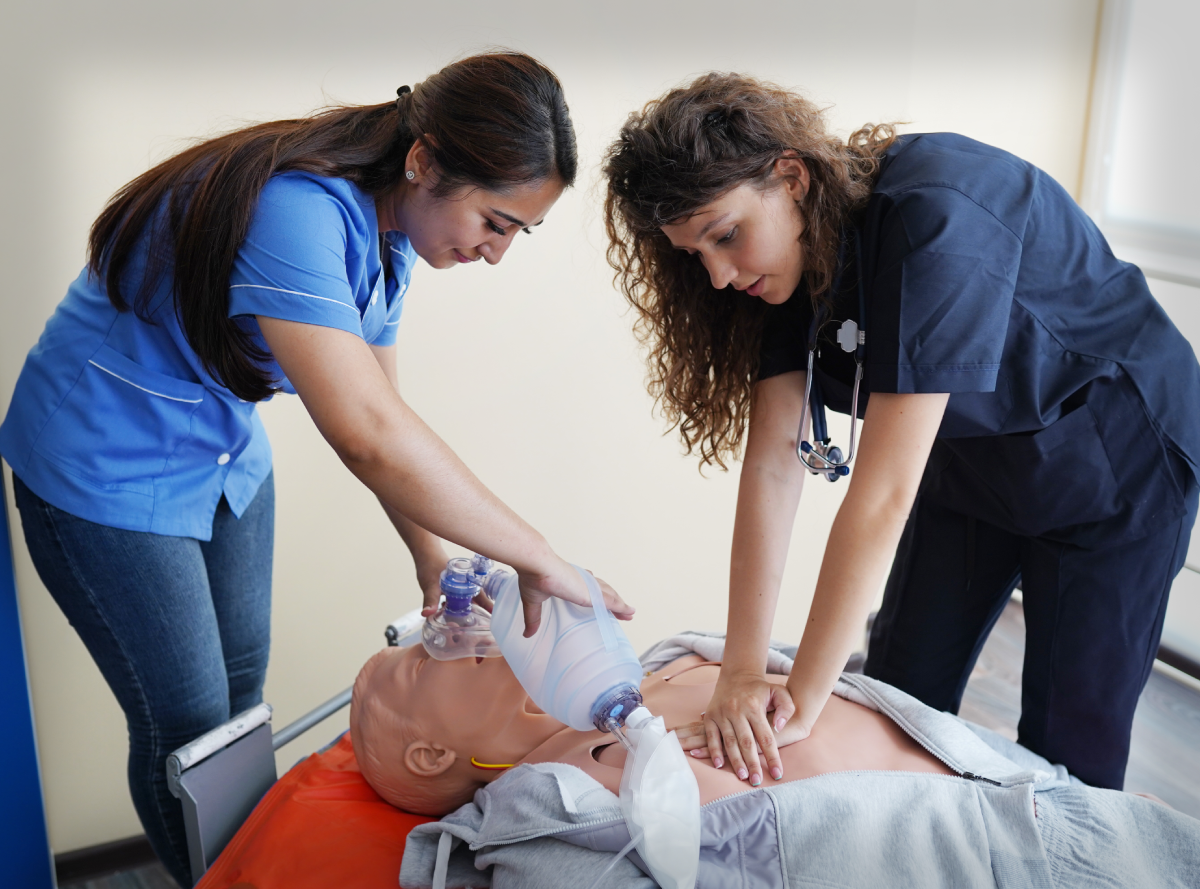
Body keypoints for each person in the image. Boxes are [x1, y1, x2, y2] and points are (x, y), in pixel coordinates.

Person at [0, 51, 630, 887]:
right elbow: (366, 433)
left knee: (237, 687)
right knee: (187, 719)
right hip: (102, 460)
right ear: (424, 162)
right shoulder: (294, 210)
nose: (497, 252)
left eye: (518, 231)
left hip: (221, 452)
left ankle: (250, 865)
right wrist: (540, 556)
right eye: (495, 220)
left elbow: (387, 420)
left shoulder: (389, 239)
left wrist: (430, 556)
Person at [601, 72, 1200, 794]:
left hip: (1116, 469)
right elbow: (770, 470)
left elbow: (882, 494)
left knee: (1071, 744)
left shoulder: (938, 219)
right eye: (697, 254)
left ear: (791, 176)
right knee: (897, 693)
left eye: (725, 236)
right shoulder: (779, 274)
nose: (720, 275)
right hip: (972, 467)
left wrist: (802, 701)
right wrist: (740, 671)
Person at [349, 634, 1200, 888]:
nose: (449, 634)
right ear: (430, 750)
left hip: (1031, 789)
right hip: (995, 859)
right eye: (423, 659)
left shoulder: (655, 660)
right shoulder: (551, 799)